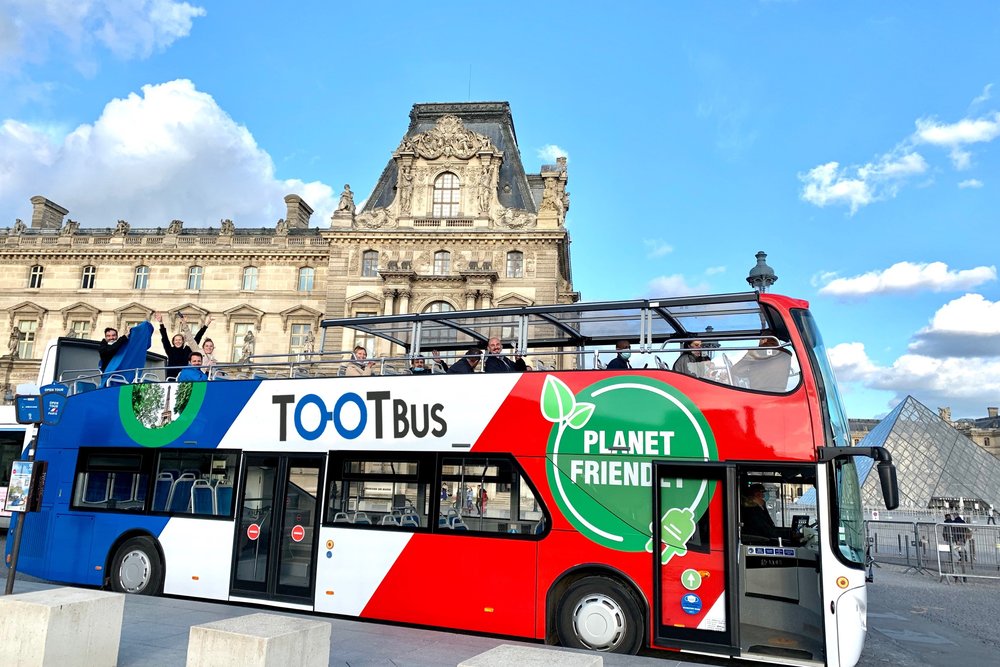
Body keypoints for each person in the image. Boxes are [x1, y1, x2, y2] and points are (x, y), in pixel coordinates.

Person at [156, 313, 210, 379]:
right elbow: (165, 338)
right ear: (173, 342)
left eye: (180, 340)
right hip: (171, 378)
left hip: (185, 377)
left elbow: (196, 339)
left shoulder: (187, 350)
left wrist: (206, 325)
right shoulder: (170, 350)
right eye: (176, 340)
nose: (178, 341)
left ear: (183, 341)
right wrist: (161, 322)